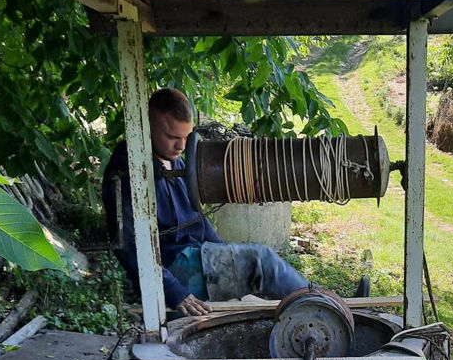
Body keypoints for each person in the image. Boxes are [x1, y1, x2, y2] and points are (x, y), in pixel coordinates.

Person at [102, 88, 308, 317]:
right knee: (262, 262)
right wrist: (175, 292)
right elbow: (128, 245)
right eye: (172, 137)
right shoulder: (129, 166)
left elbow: (197, 219)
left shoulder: (177, 160)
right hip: (171, 268)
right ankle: (320, 306)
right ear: (149, 125)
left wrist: (224, 250)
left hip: (196, 255)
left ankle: (317, 304)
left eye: (185, 137)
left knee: (258, 270)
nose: (181, 146)